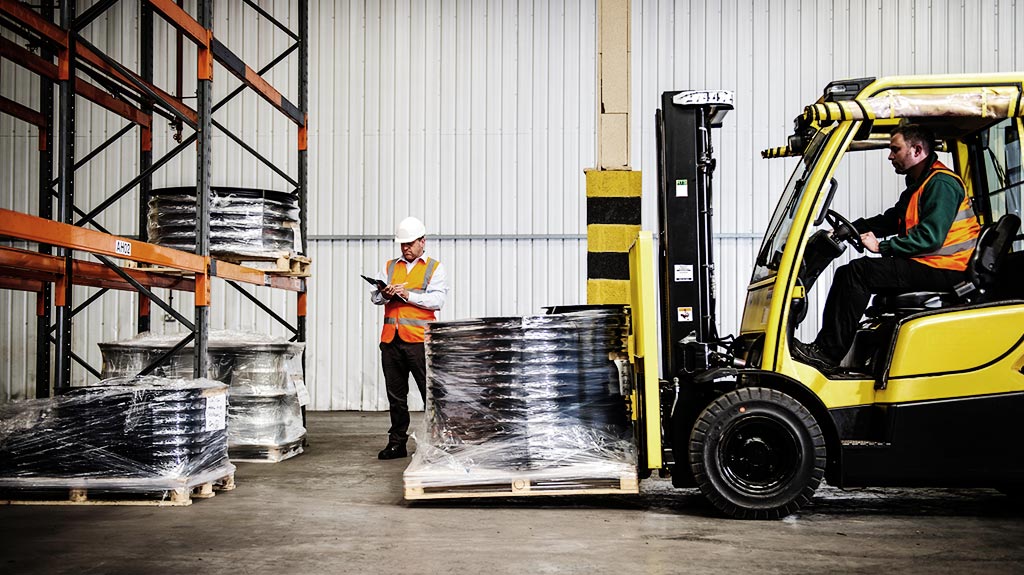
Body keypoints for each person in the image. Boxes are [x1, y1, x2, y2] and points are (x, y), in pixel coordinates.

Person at [796, 124, 981, 369]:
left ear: (917, 150)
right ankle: (829, 350)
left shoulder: (941, 184)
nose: (890, 156)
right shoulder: (920, 182)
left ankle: (828, 353)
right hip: (930, 264)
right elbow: (893, 219)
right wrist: (852, 227)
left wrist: (882, 247)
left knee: (857, 273)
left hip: (946, 269)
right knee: (850, 273)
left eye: (895, 149)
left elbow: (930, 238)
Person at [370, 216, 448, 459]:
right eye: (402, 244)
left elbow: (437, 301)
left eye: (410, 243)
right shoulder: (390, 266)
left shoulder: (435, 268)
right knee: (396, 396)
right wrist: (384, 293)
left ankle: (438, 444)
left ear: (422, 242)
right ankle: (397, 444)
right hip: (391, 341)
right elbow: (375, 299)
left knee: (430, 395)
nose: (406, 248)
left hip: (419, 341)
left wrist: (408, 295)